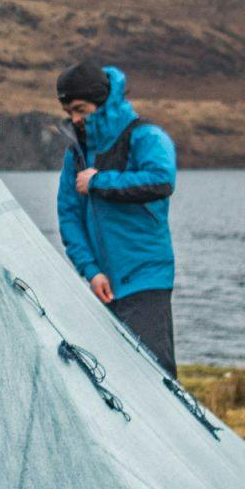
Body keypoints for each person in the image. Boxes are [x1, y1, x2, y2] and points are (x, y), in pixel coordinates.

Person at [54, 60, 179, 376]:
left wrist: (99, 182)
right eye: (69, 112)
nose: (76, 119)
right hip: (103, 284)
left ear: (101, 100)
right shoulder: (77, 152)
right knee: (114, 378)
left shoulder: (144, 136)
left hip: (146, 276)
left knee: (157, 376)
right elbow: (69, 216)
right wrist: (91, 271)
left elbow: (161, 179)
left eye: (80, 109)